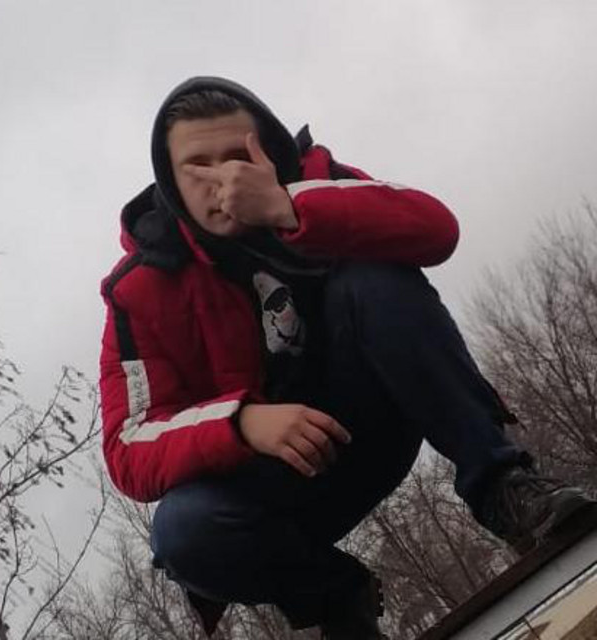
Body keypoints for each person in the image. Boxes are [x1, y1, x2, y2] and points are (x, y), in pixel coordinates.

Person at [99, 76, 593, 639]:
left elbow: (436, 228)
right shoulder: (140, 289)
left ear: (267, 151)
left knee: (374, 276)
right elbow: (127, 444)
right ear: (169, 181)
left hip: (376, 424)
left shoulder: (316, 178)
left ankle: (503, 488)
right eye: (198, 166)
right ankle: (338, 601)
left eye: (238, 155)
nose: (223, 179)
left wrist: (286, 206)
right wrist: (243, 422)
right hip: (278, 492)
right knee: (183, 530)